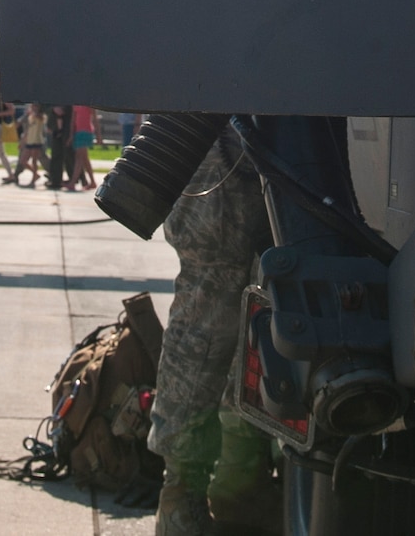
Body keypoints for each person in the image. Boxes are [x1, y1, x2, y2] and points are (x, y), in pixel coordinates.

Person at [150, 132, 274, 536]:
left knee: (268, 317)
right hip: (219, 142)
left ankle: (239, 481)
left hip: (289, 136)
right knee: (206, 319)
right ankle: (181, 491)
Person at [8, 99, 46, 188]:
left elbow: (42, 120)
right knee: (23, 161)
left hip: (36, 141)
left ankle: (33, 181)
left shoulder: (40, 117)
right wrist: (22, 142)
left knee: (34, 161)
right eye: (33, 106)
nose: (34, 108)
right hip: (29, 141)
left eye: (36, 106)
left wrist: (35, 114)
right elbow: (27, 130)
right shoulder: (29, 116)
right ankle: (35, 174)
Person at [65, 103, 99, 191]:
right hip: (78, 132)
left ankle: (72, 182)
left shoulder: (90, 103)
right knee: (84, 158)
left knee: (79, 157)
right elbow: (73, 120)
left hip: (86, 131)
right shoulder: (75, 103)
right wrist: (71, 135)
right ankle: (92, 182)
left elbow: (95, 119)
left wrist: (99, 136)